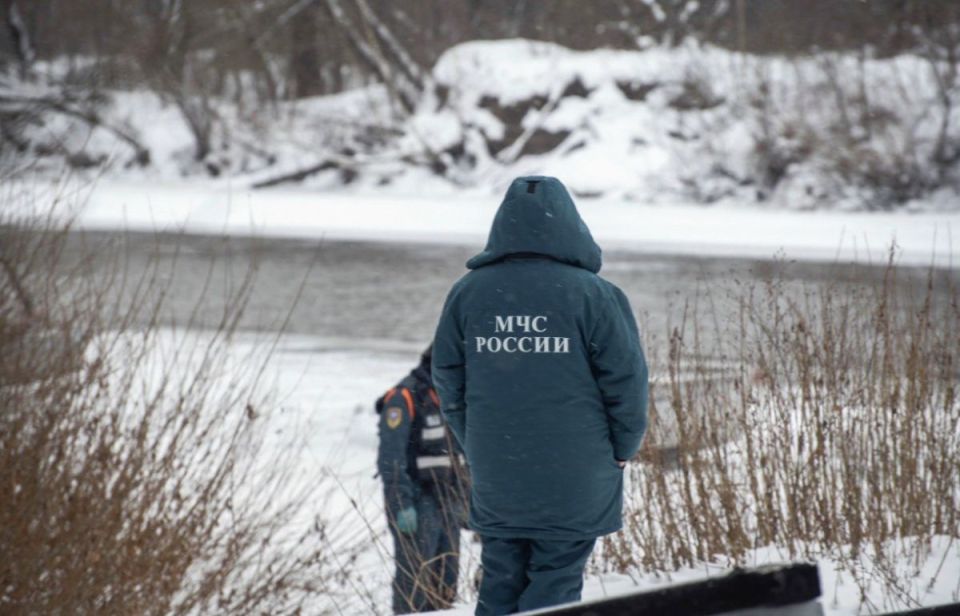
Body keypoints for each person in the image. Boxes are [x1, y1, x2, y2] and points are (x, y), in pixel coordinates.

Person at [431, 176, 648, 615]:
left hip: (499, 466)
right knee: (557, 582)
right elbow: (627, 384)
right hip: (576, 469)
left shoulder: (468, 294)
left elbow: (448, 378)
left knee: (500, 580)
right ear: (571, 225)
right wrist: (623, 448)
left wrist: (473, 437)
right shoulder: (596, 296)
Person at [377, 345, 468, 614]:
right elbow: (391, 461)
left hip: (448, 503)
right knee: (413, 586)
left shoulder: (453, 399)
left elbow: (461, 455)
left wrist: (468, 499)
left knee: (446, 583)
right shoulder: (403, 398)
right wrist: (402, 506)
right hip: (417, 503)